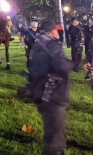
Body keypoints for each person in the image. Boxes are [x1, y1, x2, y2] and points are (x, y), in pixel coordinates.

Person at [28, 20, 74, 155]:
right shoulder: (52, 45)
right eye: (57, 29)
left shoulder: (37, 44)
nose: (58, 31)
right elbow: (61, 65)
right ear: (52, 30)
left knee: (52, 131)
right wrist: (72, 64)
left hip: (40, 93)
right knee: (55, 137)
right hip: (53, 95)